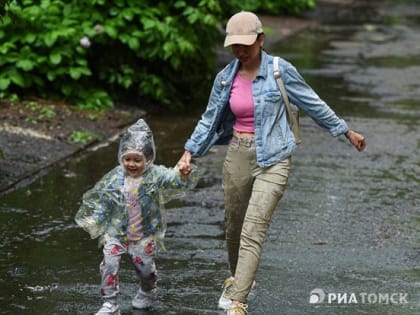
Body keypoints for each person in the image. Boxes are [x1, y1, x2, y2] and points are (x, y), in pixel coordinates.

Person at [177, 11, 366, 315]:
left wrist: (345, 130)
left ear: (261, 41)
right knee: (234, 228)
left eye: (246, 46)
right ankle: (238, 279)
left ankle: (239, 302)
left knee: (253, 230)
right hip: (237, 154)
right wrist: (189, 153)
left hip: (275, 158)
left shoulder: (280, 70)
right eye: (235, 46)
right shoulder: (225, 78)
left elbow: (312, 102)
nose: (240, 52)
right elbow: (208, 120)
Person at [75, 119, 197, 315]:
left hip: (143, 235)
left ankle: (147, 290)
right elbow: (105, 202)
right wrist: (95, 220)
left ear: (148, 159)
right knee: (109, 265)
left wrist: (182, 174)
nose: (131, 164)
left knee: (145, 269)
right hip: (116, 233)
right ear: (121, 158)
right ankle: (109, 303)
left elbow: (172, 181)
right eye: (127, 159)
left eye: (137, 160)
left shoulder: (155, 175)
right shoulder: (116, 178)